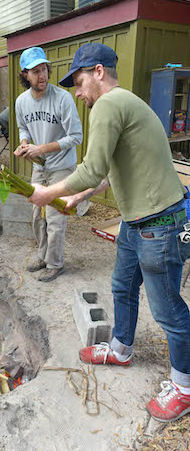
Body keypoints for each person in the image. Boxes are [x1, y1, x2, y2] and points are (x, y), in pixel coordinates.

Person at [28, 42, 190, 422]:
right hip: (139, 224)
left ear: (98, 72)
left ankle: (184, 386)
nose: (79, 93)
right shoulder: (125, 104)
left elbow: (90, 166)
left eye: (81, 82)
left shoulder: (108, 105)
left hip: (159, 225)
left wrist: (49, 192)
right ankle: (121, 348)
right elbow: (107, 173)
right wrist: (79, 195)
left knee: (168, 311)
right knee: (121, 286)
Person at [14, 46, 83, 282]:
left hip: (62, 166)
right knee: (37, 215)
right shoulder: (21, 102)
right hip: (39, 166)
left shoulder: (63, 98)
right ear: (25, 75)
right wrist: (25, 144)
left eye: (44, 69)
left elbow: (76, 136)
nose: (42, 75)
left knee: (55, 217)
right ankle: (42, 256)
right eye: (35, 71)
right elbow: (23, 127)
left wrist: (41, 148)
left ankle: (55, 264)